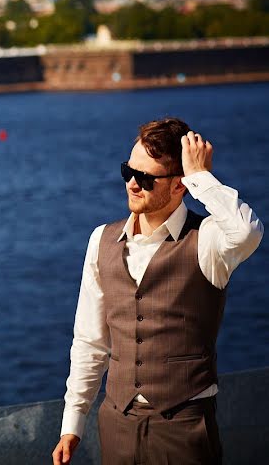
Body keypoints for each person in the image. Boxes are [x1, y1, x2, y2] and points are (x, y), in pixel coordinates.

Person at [51, 118, 263, 465]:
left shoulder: (207, 240)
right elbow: (90, 341)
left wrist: (201, 178)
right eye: (128, 171)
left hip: (184, 427)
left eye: (146, 178)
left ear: (179, 186)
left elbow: (247, 233)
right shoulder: (101, 240)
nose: (132, 184)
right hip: (117, 423)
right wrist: (72, 423)